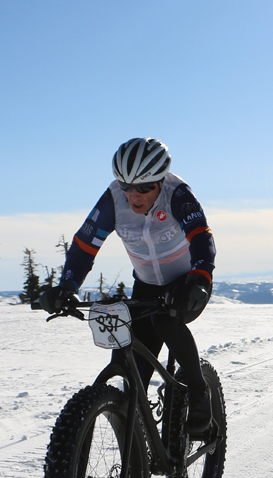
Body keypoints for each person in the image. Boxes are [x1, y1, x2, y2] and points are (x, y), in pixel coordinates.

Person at [40, 138, 217, 432]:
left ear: (160, 181)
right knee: (131, 371)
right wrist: (67, 286)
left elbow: (201, 236)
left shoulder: (178, 194)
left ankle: (199, 391)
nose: (133, 195)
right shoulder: (113, 200)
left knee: (165, 320)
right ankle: (134, 446)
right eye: (126, 186)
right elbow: (84, 246)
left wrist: (201, 277)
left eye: (144, 188)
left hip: (187, 282)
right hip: (146, 286)